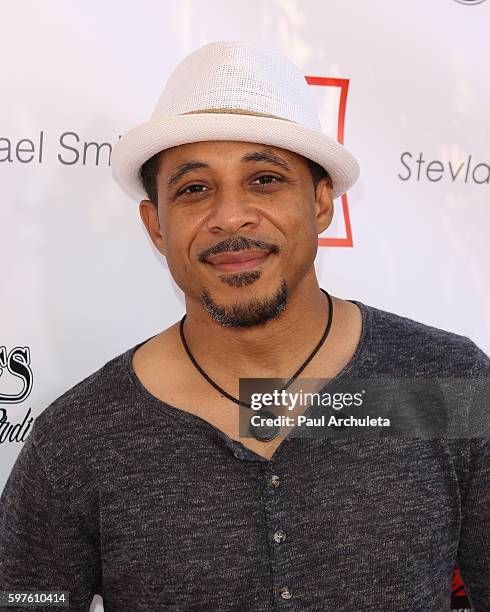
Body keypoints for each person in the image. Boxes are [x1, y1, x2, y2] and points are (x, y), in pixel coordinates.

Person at [0, 41, 488, 612]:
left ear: (323, 201)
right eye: (194, 189)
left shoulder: (443, 385)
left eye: (264, 180)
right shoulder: (80, 438)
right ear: (155, 224)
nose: (230, 217)